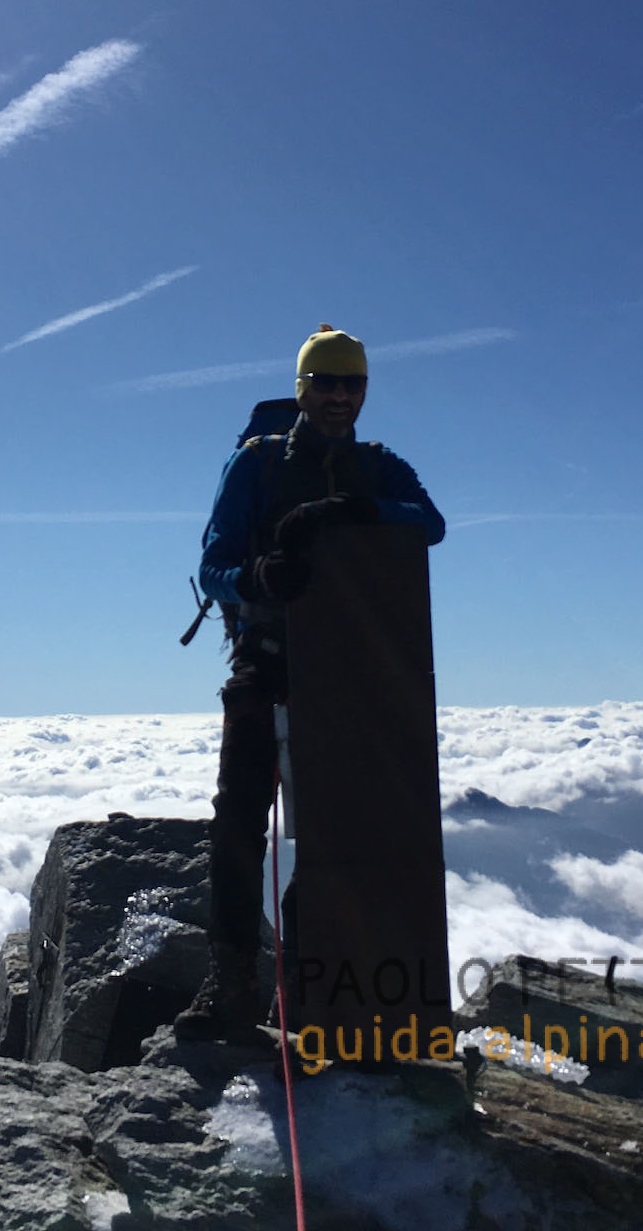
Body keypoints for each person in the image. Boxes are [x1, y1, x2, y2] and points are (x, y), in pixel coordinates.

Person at [174, 324, 444, 1043]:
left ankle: (303, 988)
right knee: (239, 823)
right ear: (301, 389)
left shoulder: (379, 467)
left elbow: (431, 524)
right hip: (265, 663)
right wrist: (258, 577)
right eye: (325, 382)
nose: (339, 396)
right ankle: (230, 981)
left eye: (352, 383)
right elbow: (213, 565)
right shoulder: (255, 465)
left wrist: (355, 511)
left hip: (345, 677)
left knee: (330, 836)